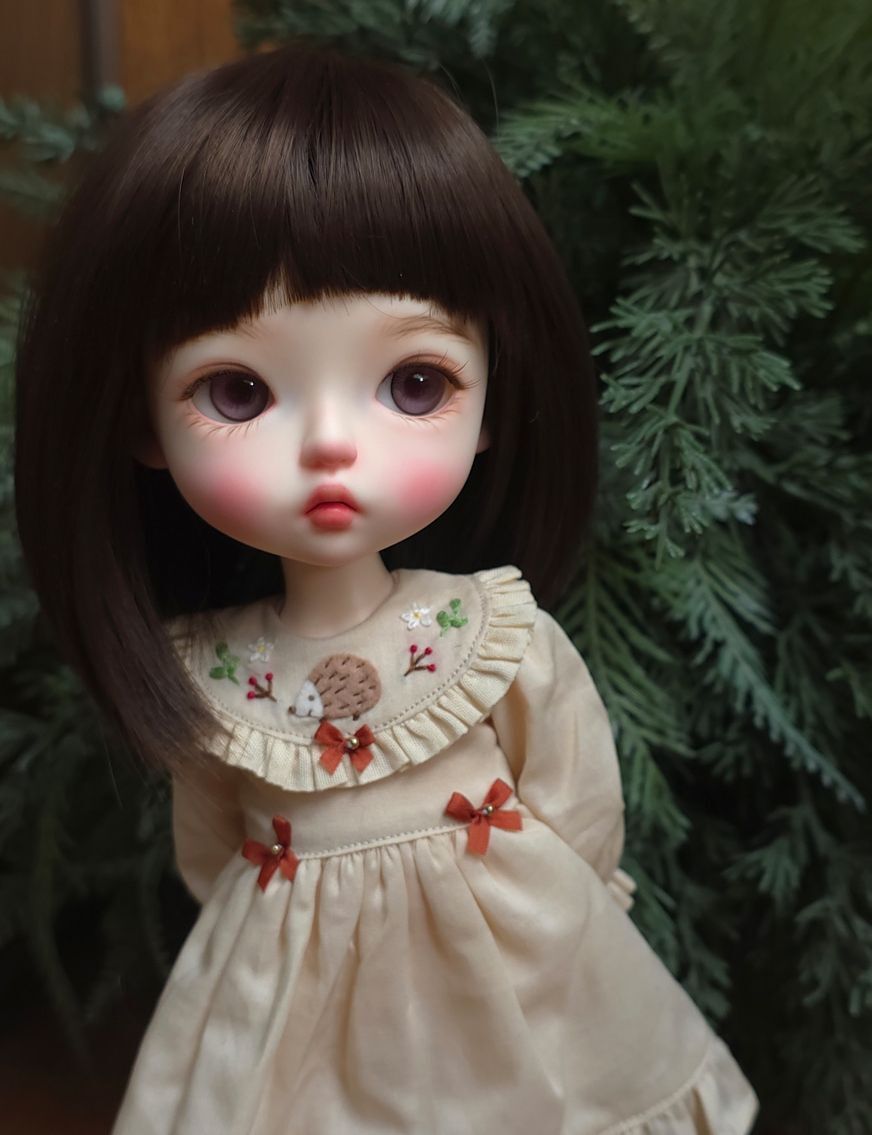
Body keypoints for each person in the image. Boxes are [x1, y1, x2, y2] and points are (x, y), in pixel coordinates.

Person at [14, 41, 758, 1135]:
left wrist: (571, 911)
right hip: (295, 991)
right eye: (237, 390)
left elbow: (574, 798)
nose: (330, 445)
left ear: (494, 397)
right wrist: (276, 929)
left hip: (509, 962)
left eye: (414, 383)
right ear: (142, 426)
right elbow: (211, 848)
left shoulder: (487, 632)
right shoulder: (215, 671)